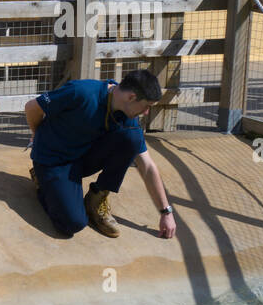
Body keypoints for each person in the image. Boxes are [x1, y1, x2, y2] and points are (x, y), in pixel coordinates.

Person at [24, 69, 177, 240]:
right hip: (54, 159)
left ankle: (96, 199)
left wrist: (166, 212)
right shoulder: (81, 92)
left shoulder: (127, 115)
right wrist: (37, 135)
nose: (146, 112)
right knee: (72, 223)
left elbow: (147, 165)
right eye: (147, 106)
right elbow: (32, 107)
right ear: (132, 97)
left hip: (82, 156)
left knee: (132, 138)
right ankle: (42, 180)